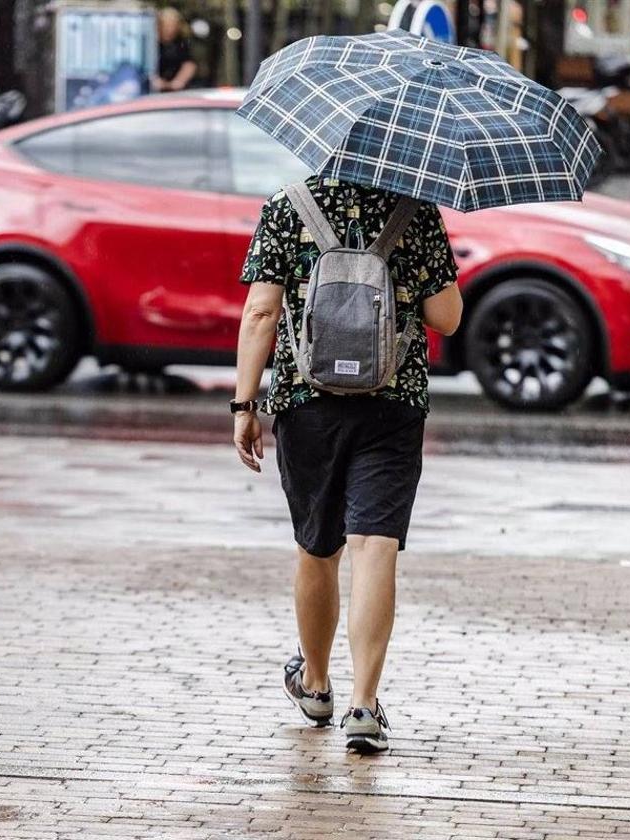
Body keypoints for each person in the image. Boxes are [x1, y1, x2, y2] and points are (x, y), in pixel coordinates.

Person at [231, 176, 462, 753]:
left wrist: (243, 404)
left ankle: (314, 684)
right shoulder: (415, 212)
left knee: (317, 546)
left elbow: (261, 311)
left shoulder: (289, 205)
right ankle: (364, 705)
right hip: (393, 403)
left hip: (308, 404)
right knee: (374, 546)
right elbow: (447, 318)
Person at [152, 7, 197, 92]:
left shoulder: (182, 43)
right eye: (167, 25)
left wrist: (177, 82)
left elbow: (189, 64)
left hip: (177, 90)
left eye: (173, 25)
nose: (170, 29)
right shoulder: (151, 44)